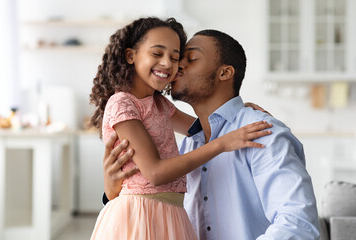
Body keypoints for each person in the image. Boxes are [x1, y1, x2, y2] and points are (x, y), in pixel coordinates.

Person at [102, 29, 320, 239]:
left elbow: (298, 224)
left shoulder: (261, 133)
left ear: (225, 73)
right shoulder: (189, 146)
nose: (177, 67)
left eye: (191, 58)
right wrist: (112, 191)